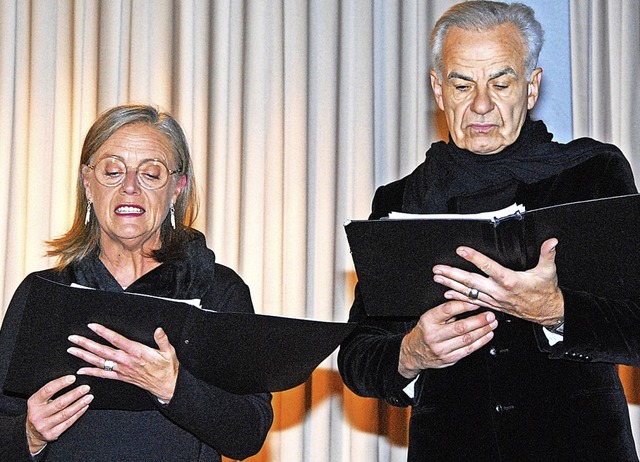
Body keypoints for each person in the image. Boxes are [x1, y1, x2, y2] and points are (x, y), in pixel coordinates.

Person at [338, 2, 640, 461]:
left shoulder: (592, 176)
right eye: (462, 84)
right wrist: (412, 352)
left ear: (532, 87)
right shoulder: (401, 201)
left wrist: (558, 311)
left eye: (501, 83)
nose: (482, 104)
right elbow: (358, 358)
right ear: (438, 90)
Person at [0, 104, 273, 461]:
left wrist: (174, 387)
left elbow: (248, 433)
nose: (130, 187)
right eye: (112, 171)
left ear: (177, 187)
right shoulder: (46, 292)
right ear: (87, 183)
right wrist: (29, 434)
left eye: (151, 174)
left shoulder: (217, 290)